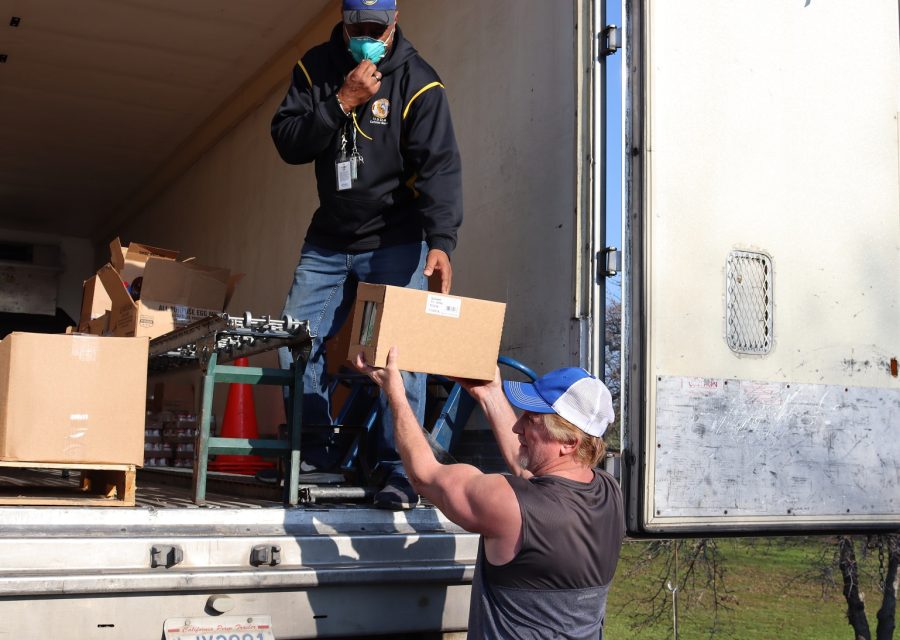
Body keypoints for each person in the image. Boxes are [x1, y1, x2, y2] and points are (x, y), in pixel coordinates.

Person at [271, 0, 462, 509]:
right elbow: (288, 141)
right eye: (359, 27)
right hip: (329, 240)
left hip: (396, 239)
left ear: (395, 22)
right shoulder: (315, 67)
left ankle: (401, 470)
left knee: (400, 354)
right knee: (293, 339)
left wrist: (442, 242)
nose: (367, 36)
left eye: (378, 28)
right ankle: (312, 450)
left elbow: (439, 167)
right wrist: (341, 101)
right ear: (343, 19)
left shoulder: (420, 83)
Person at [355, 347, 625, 639]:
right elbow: (532, 473)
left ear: (569, 442)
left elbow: (425, 476)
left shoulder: (510, 506)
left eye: (531, 421)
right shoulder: (609, 492)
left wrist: (395, 392)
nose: (517, 426)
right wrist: (490, 394)